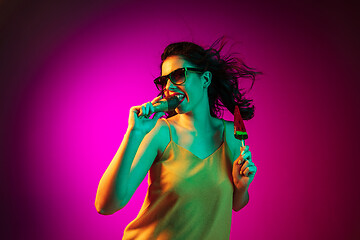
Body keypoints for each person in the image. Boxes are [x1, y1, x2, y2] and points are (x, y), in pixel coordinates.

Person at [95, 37, 260, 240]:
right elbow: (106, 205)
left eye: (179, 75)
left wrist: (242, 187)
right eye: (165, 80)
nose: (169, 87)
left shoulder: (233, 136)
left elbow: (235, 204)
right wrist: (134, 133)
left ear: (205, 79)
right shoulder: (161, 133)